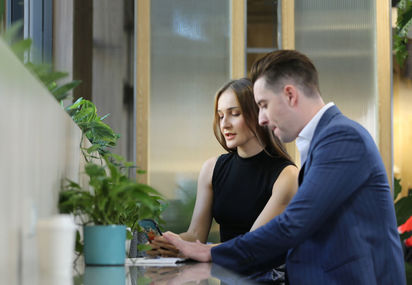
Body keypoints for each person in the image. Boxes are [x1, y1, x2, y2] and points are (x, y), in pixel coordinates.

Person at [163, 50, 407, 284]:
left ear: (290, 95)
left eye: (264, 105)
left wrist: (210, 252)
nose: (261, 119)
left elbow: (293, 224)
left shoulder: (341, 137)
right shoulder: (324, 140)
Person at [148, 77, 298, 257]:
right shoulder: (212, 169)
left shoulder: (287, 176)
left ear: (258, 114)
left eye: (234, 114)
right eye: (220, 116)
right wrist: (170, 242)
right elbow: (196, 235)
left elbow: (250, 245)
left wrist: (190, 248)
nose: (224, 124)